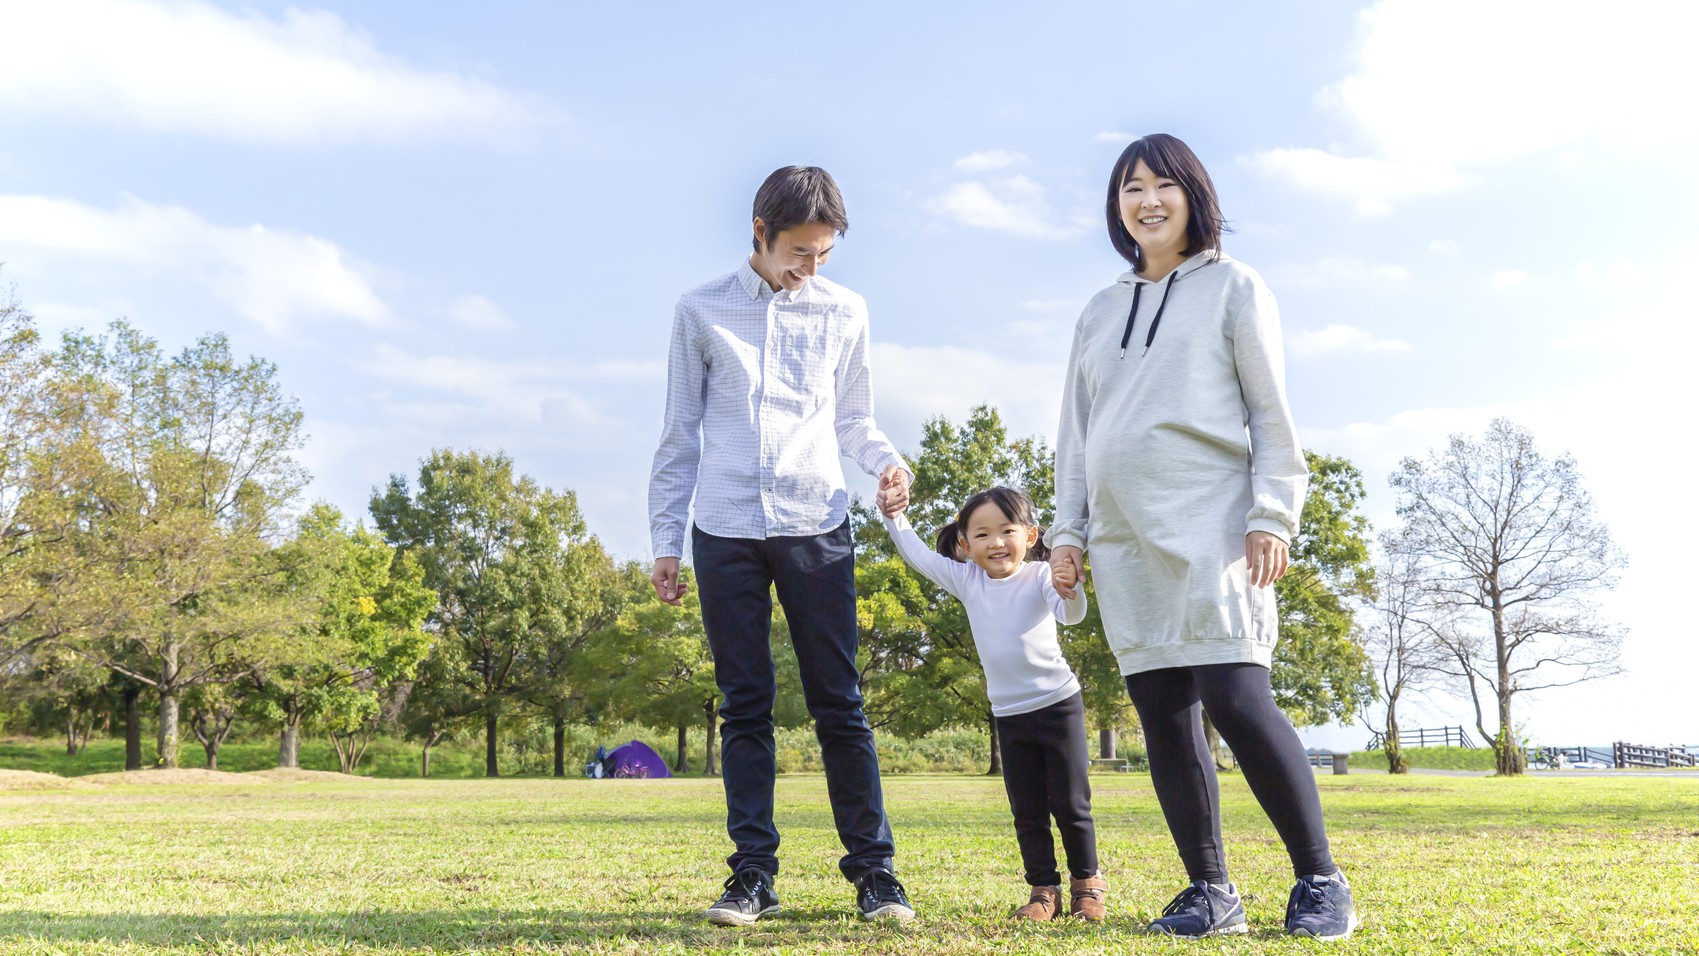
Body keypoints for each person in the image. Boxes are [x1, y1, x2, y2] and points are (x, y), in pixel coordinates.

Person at [1047, 133, 1359, 941]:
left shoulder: (1234, 287)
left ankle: (1320, 879)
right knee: (1162, 712)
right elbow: (1075, 435)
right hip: (1122, 540)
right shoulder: (1098, 308)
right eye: (1129, 188)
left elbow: (1269, 414)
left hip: (1215, 522)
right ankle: (1210, 890)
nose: (1145, 201)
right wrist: (1067, 530)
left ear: (1192, 193)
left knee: (1236, 696)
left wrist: (1271, 515)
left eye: (1160, 185)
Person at [648, 165, 916, 926]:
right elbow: (679, 432)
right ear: (759, 233)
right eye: (799, 251)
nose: (809, 268)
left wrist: (888, 465)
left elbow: (856, 420)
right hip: (724, 527)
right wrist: (666, 538)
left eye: (823, 254)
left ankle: (875, 874)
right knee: (744, 708)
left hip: (815, 524)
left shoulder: (845, 311)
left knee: (841, 705)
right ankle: (751, 877)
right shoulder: (699, 310)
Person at [878, 486, 1108, 922]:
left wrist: (1070, 589)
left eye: (1007, 531)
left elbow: (1070, 615)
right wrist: (894, 518)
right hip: (1009, 714)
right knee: (1027, 810)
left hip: (1059, 705)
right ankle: (1044, 891)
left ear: (1031, 535)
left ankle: (1087, 885)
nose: (996, 542)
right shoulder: (968, 580)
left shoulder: (1040, 576)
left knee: (1071, 803)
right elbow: (920, 556)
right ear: (965, 545)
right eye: (982, 535)